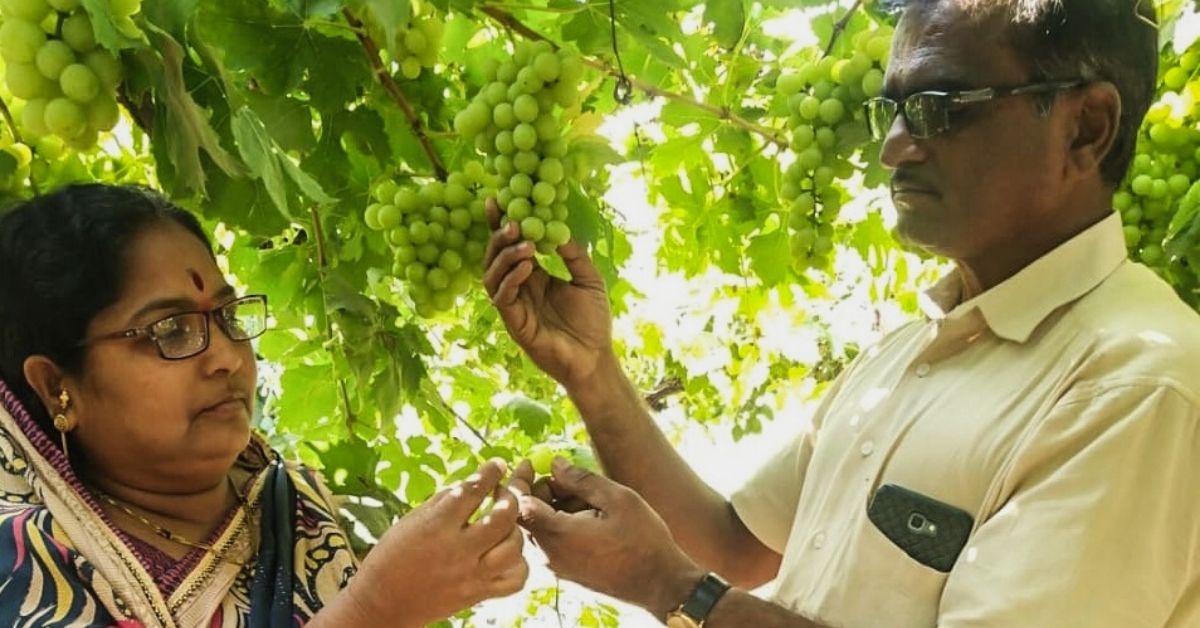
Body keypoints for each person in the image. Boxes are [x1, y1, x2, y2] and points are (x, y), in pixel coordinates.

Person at [483, 0, 1200, 626]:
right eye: (890, 109)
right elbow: (735, 544)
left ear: (1086, 128)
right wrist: (591, 370)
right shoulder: (909, 354)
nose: (893, 148)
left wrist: (667, 585)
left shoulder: (1138, 388)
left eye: (939, 106)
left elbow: (700, 572)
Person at [0, 183, 529, 627]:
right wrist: (375, 610)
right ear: (54, 385)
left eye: (230, 316)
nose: (227, 357)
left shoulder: (293, 506)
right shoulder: (25, 562)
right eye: (172, 331)